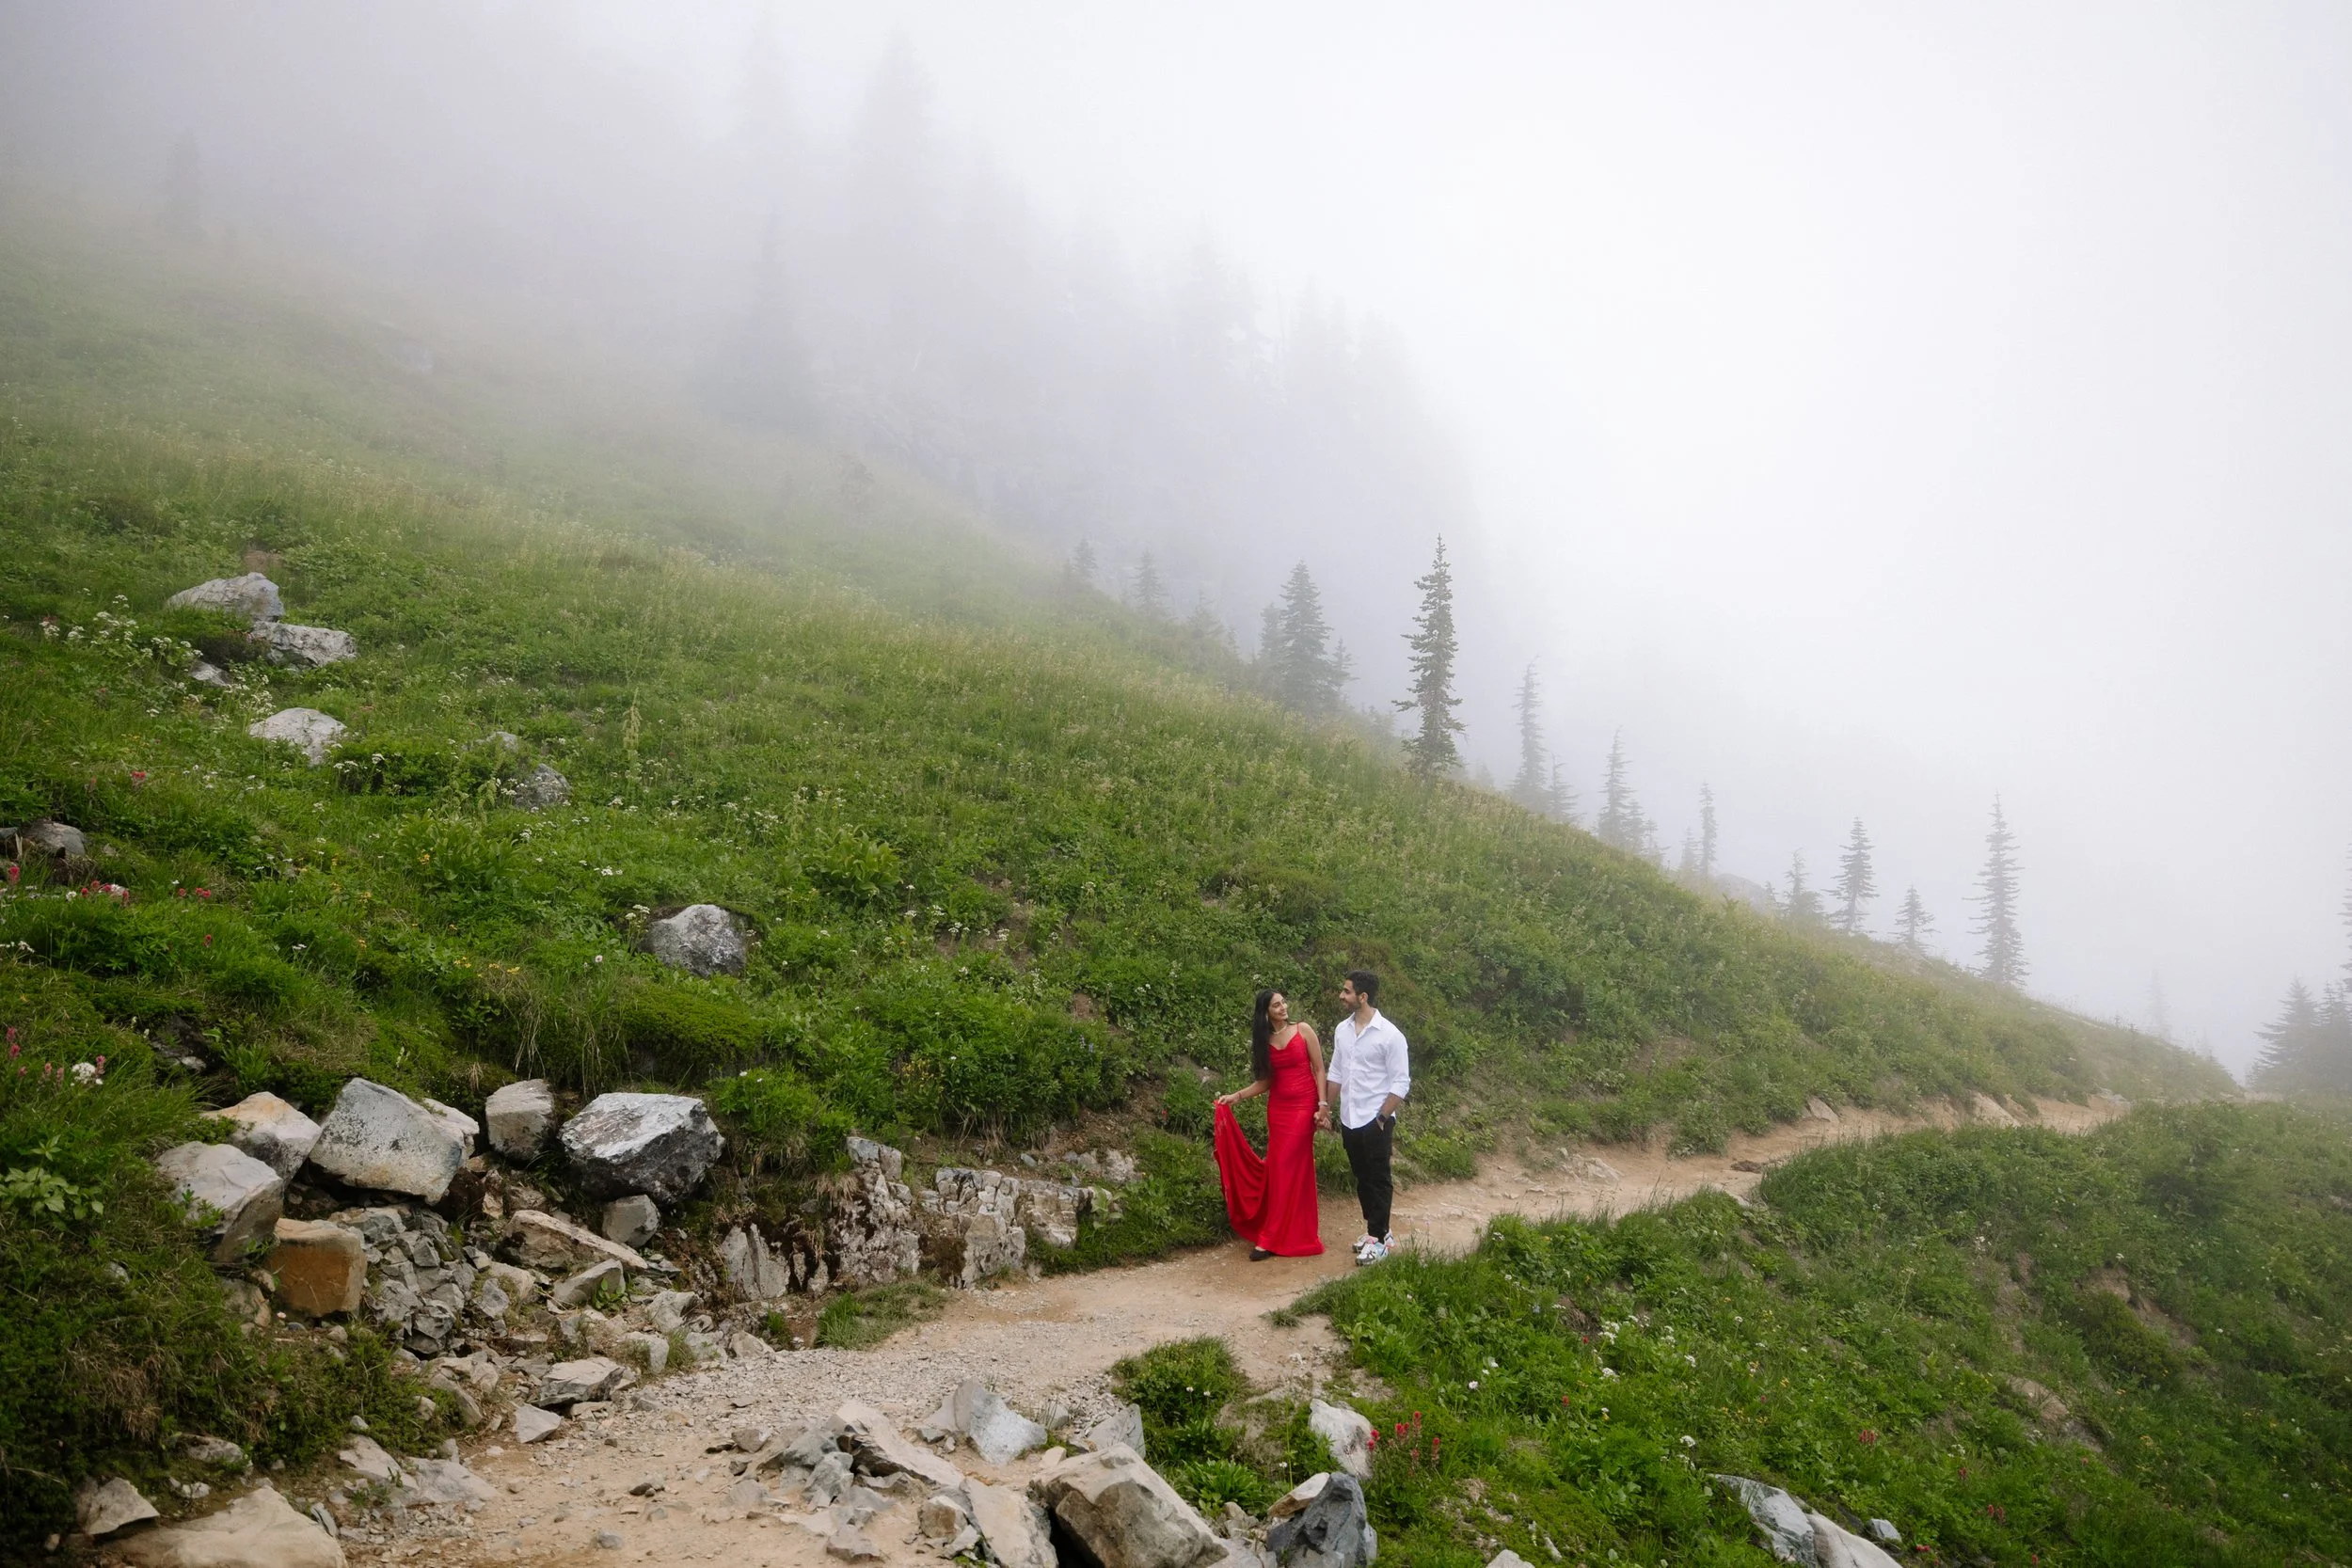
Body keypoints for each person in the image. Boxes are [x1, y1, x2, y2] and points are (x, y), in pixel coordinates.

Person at [1211, 990, 1327, 1259]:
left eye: (1284, 1002)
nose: (1283, 1007)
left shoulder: (1303, 1029)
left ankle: (1271, 1237)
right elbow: (1265, 1082)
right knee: (1279, 1168)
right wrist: (1236, 1097)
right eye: (1277, 1005)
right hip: (1279, 1110)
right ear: (1266, 1012)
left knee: (1285, 1165)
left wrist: (1322, 1106)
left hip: (1303, 1107)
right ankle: (1286, 1228)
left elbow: (1320, 1069)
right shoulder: (1264, 1042)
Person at [1326, 969, 1409, 1264]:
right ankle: (1378, 1232)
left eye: (1347, 991)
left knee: (1379, 1178)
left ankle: (1378, 1238)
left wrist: (1382, 1118)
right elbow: (1336, 1073)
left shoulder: (1390, 1036)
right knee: (1362, 1177)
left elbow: (1401, 1082)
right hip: (1349, 1118)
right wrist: (1326, 1106)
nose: (1342, 995)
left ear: (1363, 997)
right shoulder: (1342, 1030)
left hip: (1376, 1120)